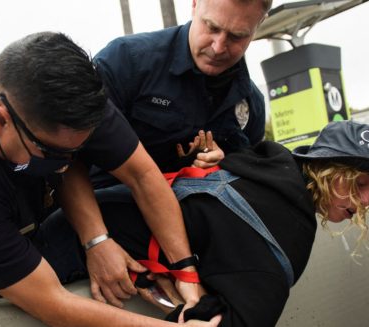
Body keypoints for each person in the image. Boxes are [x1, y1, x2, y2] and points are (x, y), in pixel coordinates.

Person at [0, 31, 217, 327]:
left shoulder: (69, 103)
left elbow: (142, 175)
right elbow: (53, 303)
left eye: (81, 149)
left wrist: (185, 271)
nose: (68, 166)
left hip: (25, 222)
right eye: (54, 153)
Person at [67, 0, 272, 310]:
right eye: (212, 27)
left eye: (237, 36)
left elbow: (244, 192)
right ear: (193, 5)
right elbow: (68, 162)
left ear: (258, 26)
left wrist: (225, 166)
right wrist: (96, 241)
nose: (218, 46)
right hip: (103, 223)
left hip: (188, 243)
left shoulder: (249, 104)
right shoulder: (126, 62)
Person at [84, 120, 369, 325]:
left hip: (93, 214)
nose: (364, 201)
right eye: (359, 182)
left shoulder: (261, 163)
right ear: (324, 168)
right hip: (80, 252)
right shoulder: (288, 232)